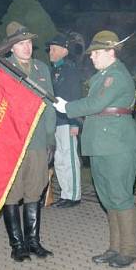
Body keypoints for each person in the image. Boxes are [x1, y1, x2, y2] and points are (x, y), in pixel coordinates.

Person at [52, 31, 136, 268]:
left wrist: (68, 107)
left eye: (96, 53)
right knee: (108, 197)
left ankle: (128, 251)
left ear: (111, 52)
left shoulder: (116, 75)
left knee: (120, 196)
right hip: (103, 144)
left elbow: (96, 104)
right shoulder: (103, 75)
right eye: (91, 53)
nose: (92, 57)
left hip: (118, 144)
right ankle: (114, 248)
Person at [0, 22, 56, 262]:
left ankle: (33, 242)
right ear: (11, 47)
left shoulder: (41, 68)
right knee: (12, 193)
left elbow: (49, 105)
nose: (27, 47)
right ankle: (17, 245)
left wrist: (50, 137)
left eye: (29, 42)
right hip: (12, 142)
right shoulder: (3, 68)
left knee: (34, 190)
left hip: (39, 140)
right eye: (21, 43)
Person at [47, 33, 84, 208]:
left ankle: (74, 195)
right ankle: (65, 193)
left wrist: (75, 122)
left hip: (67, 120)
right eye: (50, 49)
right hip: (55, 121)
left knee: (69, 158)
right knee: (59, 160)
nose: (50, 52)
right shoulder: (53, 70)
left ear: (64, 51)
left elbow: (75, 97)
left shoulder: (70, 70)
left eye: (54, 49)